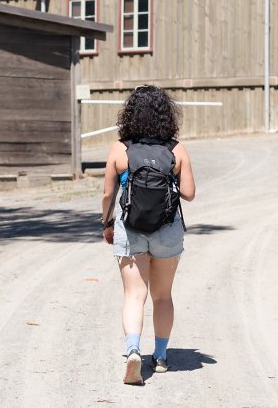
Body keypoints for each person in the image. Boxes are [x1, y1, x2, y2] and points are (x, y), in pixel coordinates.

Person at [101, 84, 196, 385]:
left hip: (131, 229)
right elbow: (190, 194)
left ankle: (132, 351)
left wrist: (106, 222)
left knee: (134, 294)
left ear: (130, 115)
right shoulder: (176, 149)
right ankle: (162, 356)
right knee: (162, 295)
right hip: (167, 230)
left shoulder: (120, 148)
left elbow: (107, 194)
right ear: (166, 115)